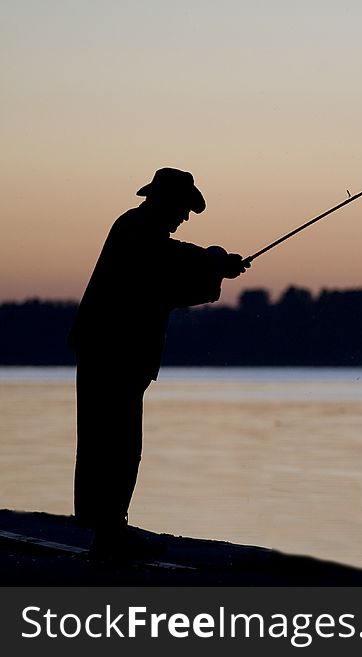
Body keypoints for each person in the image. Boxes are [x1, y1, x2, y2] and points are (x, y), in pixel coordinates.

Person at [68, 167, 248, 558]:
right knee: (114, 442)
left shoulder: (141, 233)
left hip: (115, 351)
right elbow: (168, 263)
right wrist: (214, 260)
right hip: (110, 351)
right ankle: (108, 530)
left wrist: (215, 271)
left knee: (113, 442)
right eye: (184, 209)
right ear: (165, 201)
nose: (185, 218)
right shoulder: (137, 229)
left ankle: (108, 528)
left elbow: (164, 289)